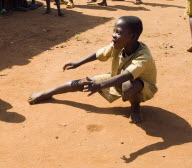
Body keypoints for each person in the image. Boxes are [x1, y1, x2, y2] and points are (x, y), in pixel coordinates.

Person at [28, 16, 158, 124]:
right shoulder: (118, 45)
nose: (113, 35)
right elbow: (99, 54)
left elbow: (126, 76)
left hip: (143, 86)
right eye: (114, 31)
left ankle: (135, 107)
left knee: (128, 86)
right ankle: (47, 93)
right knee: (81, 83)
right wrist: (78, 63)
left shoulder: (143, 56)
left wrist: (100, 85)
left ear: (132, 36)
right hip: (117, 78)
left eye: (118, 32)